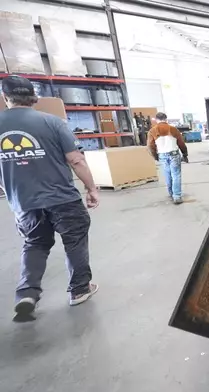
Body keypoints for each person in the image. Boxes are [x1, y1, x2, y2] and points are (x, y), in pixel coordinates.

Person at [0, 75, 100, 321]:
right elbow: (76, 159)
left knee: (34, 244)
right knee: (74, 241)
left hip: (24, 202)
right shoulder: (53, 122)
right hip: (62, 199)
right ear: (33, 96)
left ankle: (27, 293)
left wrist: (10, 190)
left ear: (5, 97)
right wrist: (91, 188)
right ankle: (79, 290)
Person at [147, 112, 188, 204]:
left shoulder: (152, 131)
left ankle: (171, 193)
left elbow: (150, 146)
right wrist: (185, 154)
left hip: (162, 155)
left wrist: (155, 156)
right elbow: (181, 143)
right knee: (176, 175)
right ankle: (177, 196)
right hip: (174, 154)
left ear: (157, 120)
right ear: (166, 119)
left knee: (167, 175)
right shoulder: (173, 129)